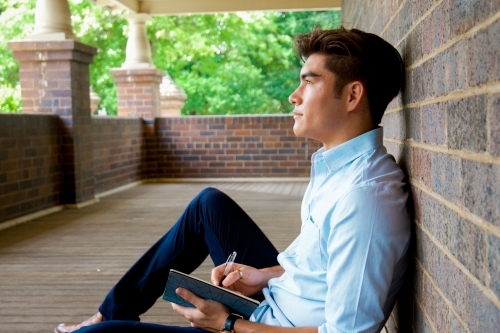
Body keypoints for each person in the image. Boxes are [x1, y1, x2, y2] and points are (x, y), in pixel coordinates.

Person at [55, 26, 410, 333]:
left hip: (270, 327)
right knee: (209, 205)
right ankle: (109, 313)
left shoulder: (364, 198)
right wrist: (262, 275)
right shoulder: (337, 167)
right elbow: (316, 269)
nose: (294, 96)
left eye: (309, 82)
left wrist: (228, 324)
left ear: (352, 96)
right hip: (272, 305)